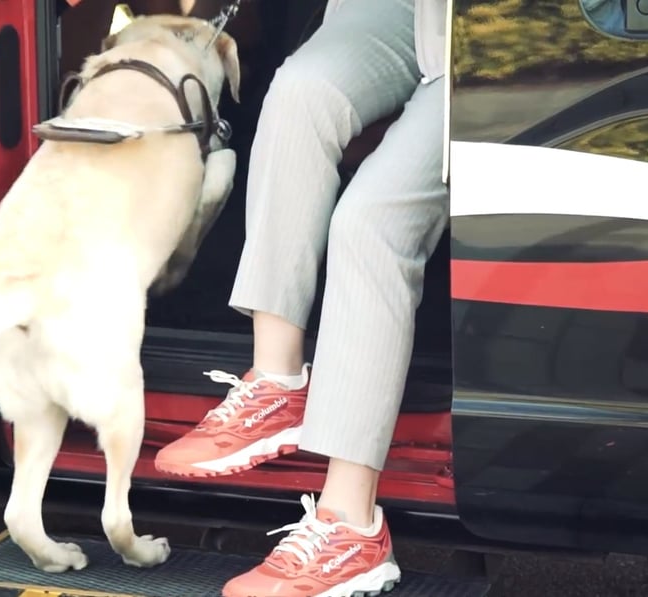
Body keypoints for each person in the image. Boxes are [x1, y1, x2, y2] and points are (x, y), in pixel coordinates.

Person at [154, 0, 448, 595]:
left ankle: (351, 529)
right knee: (296, 94)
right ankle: (278, 380)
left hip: (500, 32)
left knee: (368, 223)